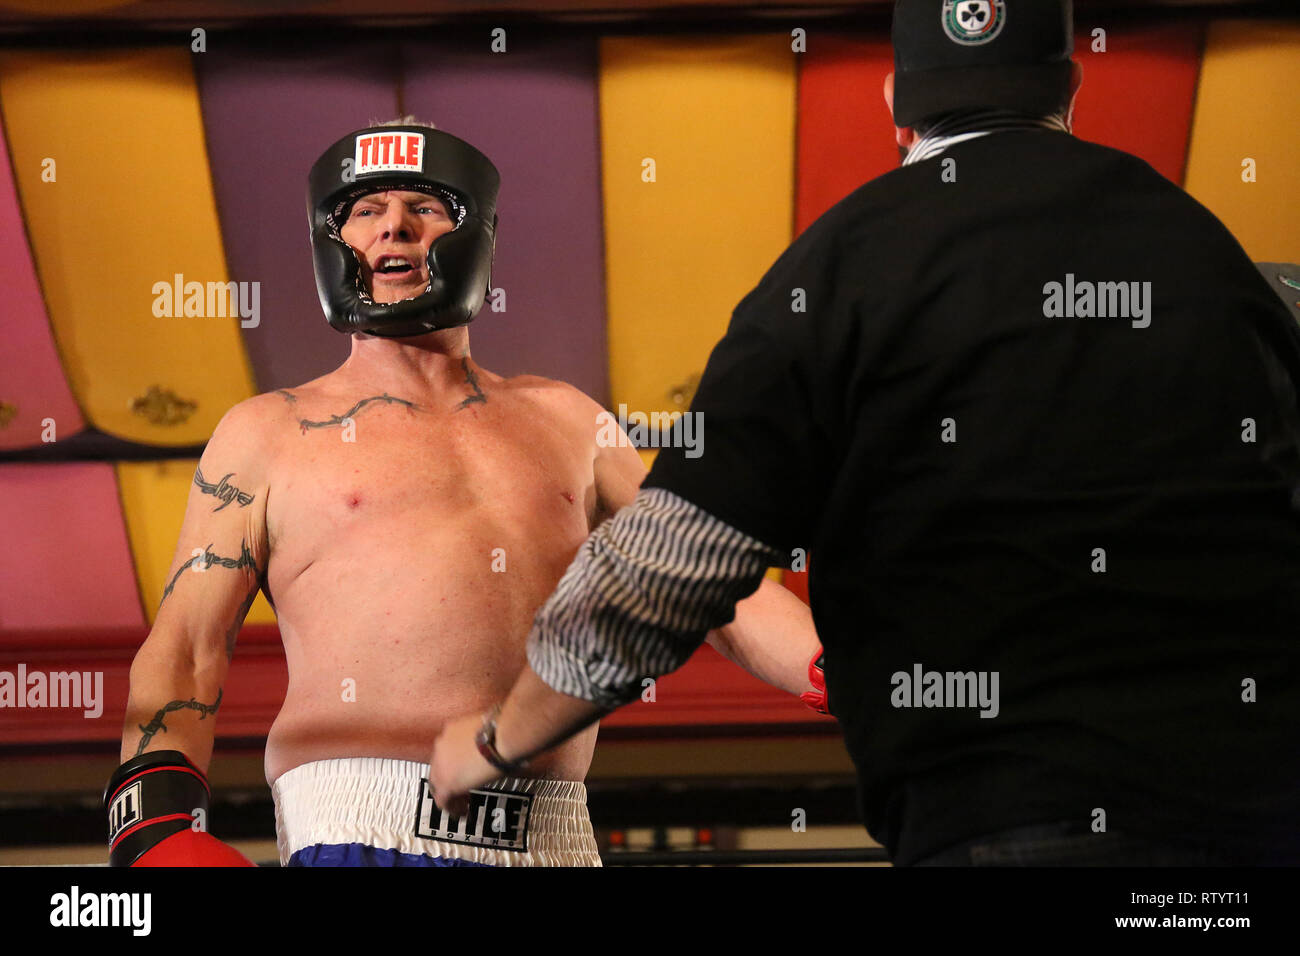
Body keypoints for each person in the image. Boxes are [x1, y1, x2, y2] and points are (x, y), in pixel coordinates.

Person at [429, 0, 1300, 866]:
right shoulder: (1206, 255)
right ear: (1071, 90)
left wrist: (501, 737)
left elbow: (672, 563)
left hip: (1008, 817)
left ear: (895, 105)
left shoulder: (837, 271)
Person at [104, 118, 824, 867]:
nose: (396, 228)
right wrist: (153, 826)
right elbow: (187, 646)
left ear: (474, 232)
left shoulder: (570, 419)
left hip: (556, 839)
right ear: (334, 241)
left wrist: (836, 665)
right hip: (363, 826)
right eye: (365, 210)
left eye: (426, 207)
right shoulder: (269, 431)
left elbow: (699, 579)